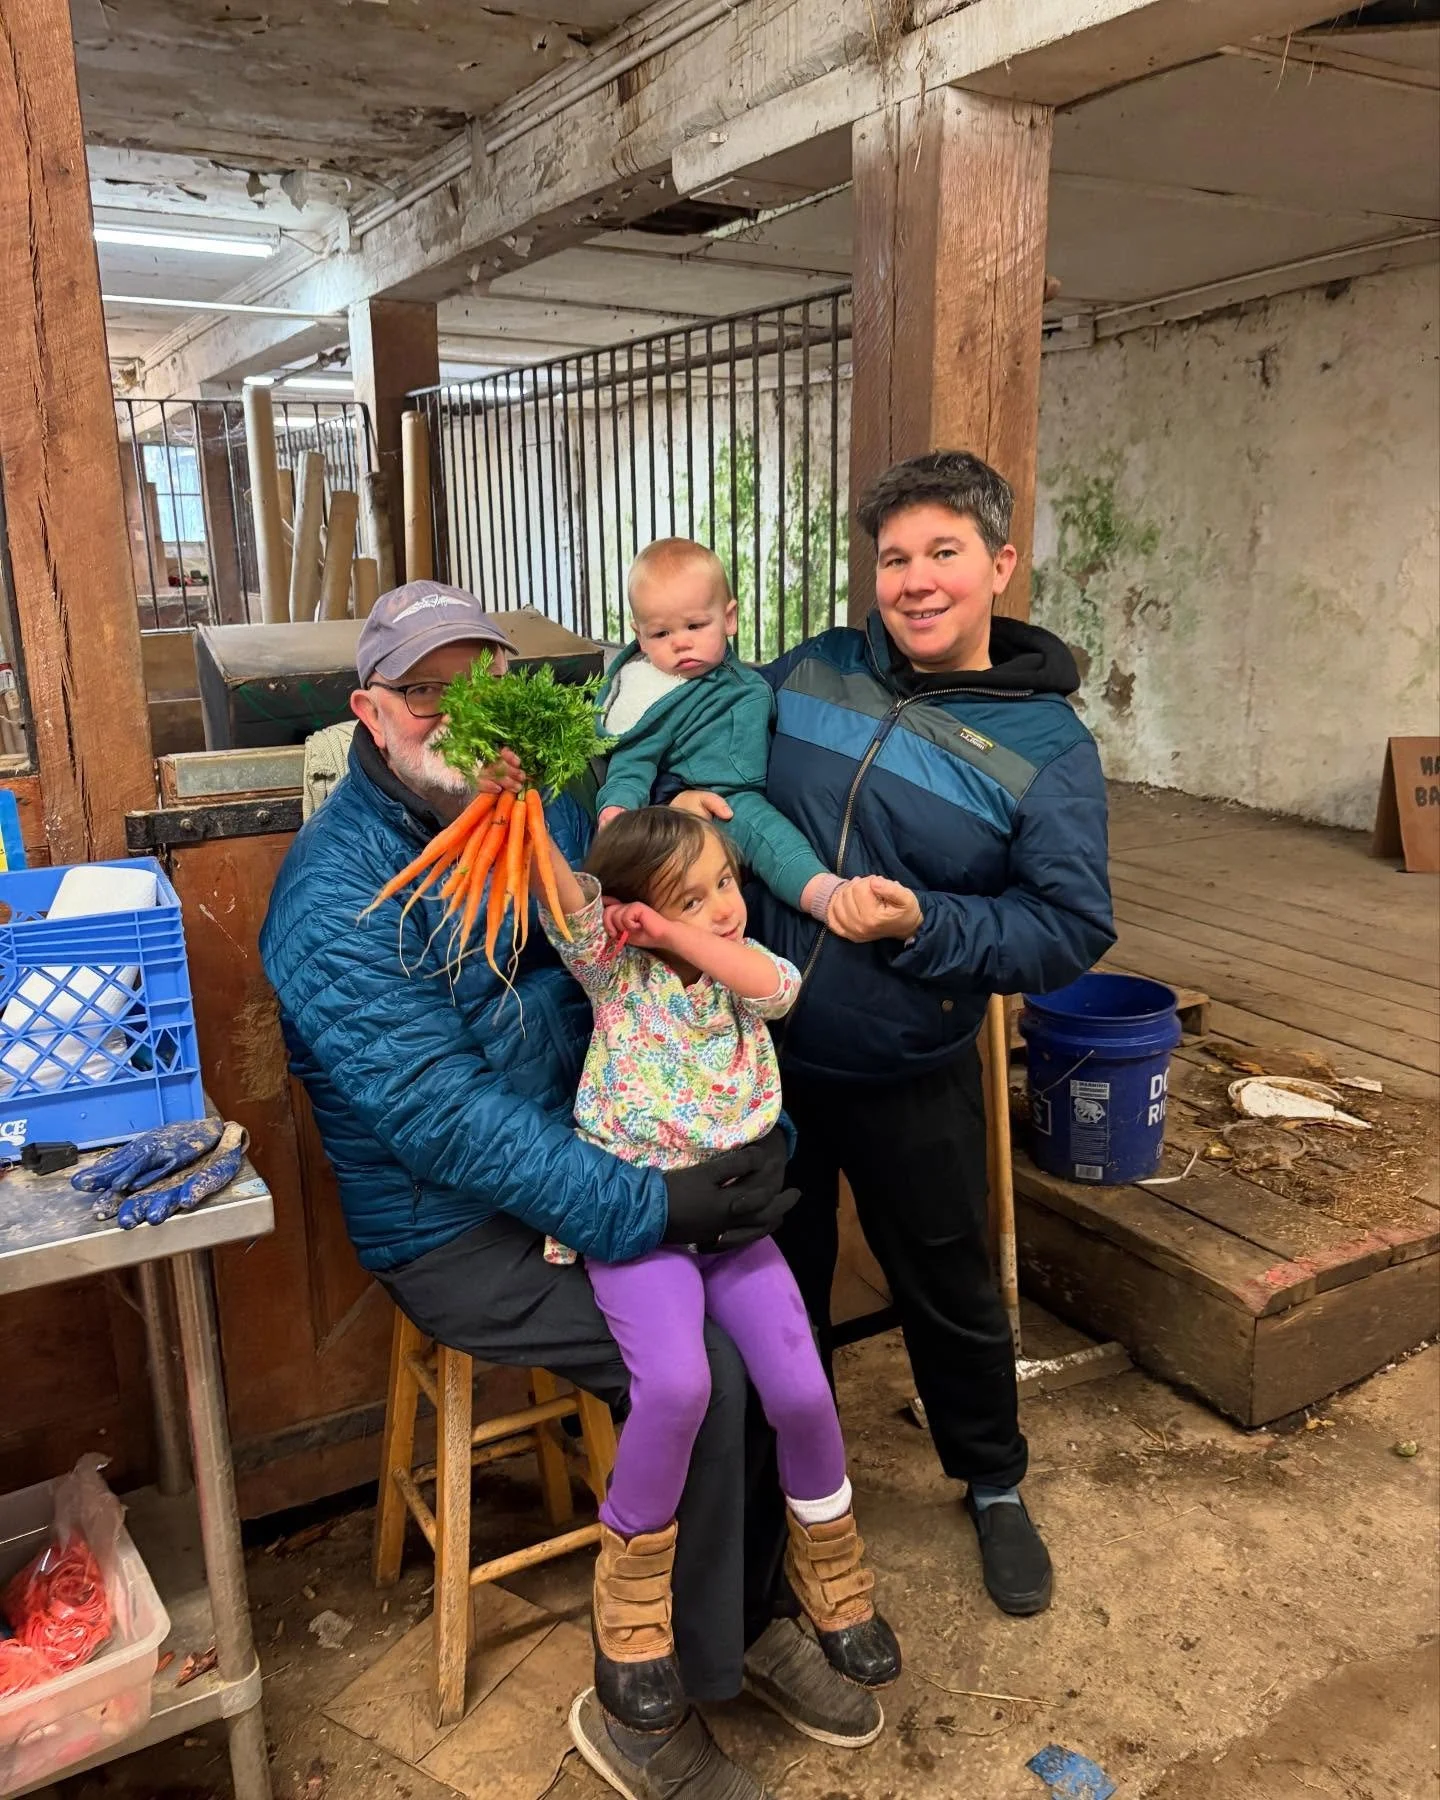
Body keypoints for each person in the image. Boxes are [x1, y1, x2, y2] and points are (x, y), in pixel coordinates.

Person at [260, 580, 888, 1800]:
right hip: (457, 1226)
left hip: (606, 1157)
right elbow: (446, 1121)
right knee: (695, 1359)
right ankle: (639, 1708)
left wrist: (730, 1139)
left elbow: (646, 996)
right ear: (370, 713)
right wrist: (656, 1207)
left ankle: (744, 1622)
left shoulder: (530, 805)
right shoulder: (334, 900)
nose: (458, 714)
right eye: (426, 692)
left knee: (775, 1334)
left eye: (482, 684)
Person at [674, 452, 1117, 1620]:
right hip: (761, 1058)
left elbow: (1069, 926)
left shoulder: (1047, 749)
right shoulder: (814, 666)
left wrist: (930, 923)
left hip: (909, 1061)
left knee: (947, 1282)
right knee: (783, 1284)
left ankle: (993, 1480)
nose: (916, 582)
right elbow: (706, 713)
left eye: (943, 554)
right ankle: (792, 1494)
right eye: (894, 559)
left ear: (999, 566)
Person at [535, 805, 899, 1736]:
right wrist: (526, 806)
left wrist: (681, 925)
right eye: (690, 897)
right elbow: (564, 903)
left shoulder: (745, 973)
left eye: (724, 883)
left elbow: (777, 988)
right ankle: (630, 1615)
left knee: (805, 1393)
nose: (724, 907)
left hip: (737, 1224)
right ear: (630, 915)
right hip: (642, 1226)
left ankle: (833, 1578)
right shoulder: (612, 970)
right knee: (679, 1387)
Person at [594, 539, 836, 924]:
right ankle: (824, 895)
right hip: (719, 799)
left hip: (769, 784)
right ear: (638, 636)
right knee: (770, 837)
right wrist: (617, 810)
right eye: (660, 635)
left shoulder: (740, 675)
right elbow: (631, 763)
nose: (681, 642)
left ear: (729, 618)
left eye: (695, 625)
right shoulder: (658, 696)